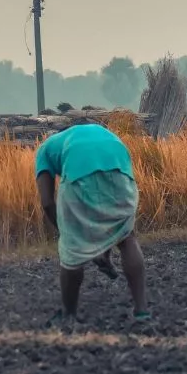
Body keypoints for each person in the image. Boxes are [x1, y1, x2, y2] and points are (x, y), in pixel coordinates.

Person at [34, 120, 150, 326]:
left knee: (72, 250)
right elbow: (103, 205)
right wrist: (102, 251)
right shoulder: (101, 133)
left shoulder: (46, 148)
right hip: (122, 175)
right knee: (126, 237)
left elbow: (46, 202)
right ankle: (142, 311)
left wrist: (67, 233)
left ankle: (69, 314)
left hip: (81, 175)